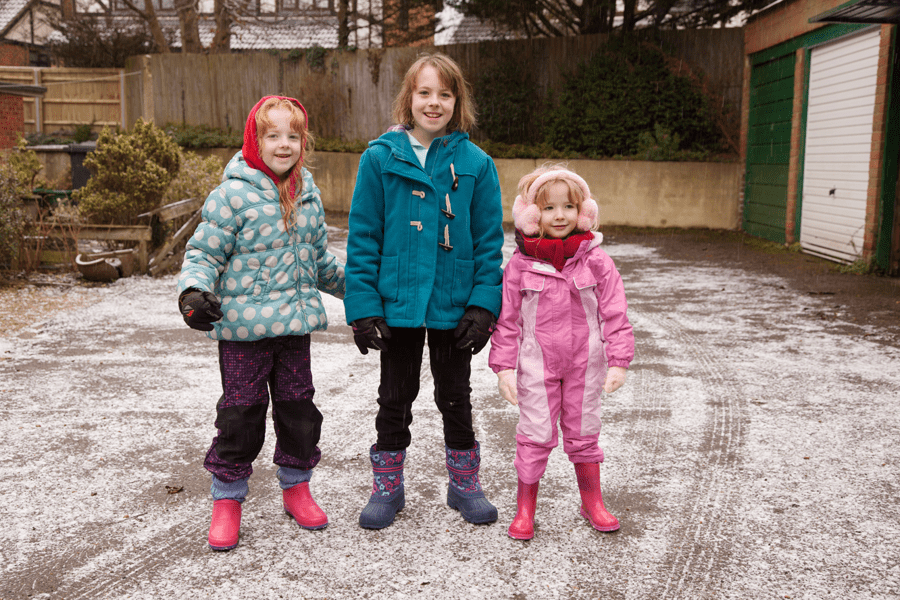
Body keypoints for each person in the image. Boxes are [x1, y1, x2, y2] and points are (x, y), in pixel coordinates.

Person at [344, 53, 505, 530]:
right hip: (397, 305)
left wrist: (483, 306)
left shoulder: (476, 164)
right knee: (394, 397)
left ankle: (465, 485)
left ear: (458, 101)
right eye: (425, 93)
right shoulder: (380, 159)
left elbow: (489, 242)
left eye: (445, 94)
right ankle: (387, 488)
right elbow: (364, 236)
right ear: (409, 98)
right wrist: (364, 307)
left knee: (455, 396)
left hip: (454, 305)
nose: (434, 103)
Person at [176, 95, 345, 551]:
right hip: (243, 334)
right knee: (241, 415)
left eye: (294, 135)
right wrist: (193, 292)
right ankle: (227, 499)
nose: (284, 144)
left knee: (299, 411)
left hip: (293, 330)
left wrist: (363, 292)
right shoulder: (231, 195)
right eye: (273, 135)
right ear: (255, 141)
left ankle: (297, 487)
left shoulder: (307, 194)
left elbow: (318, 261)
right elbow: (203, 253)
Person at [488, 164, 634, 540]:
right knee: (534, 433)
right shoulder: (520, 266)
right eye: (549, 208)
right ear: (532, 214)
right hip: (537, 366)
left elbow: (615, 313)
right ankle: (525, 508)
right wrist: (504, 368)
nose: (559, 215)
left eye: (568, 207)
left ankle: (592, 502)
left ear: (583, 212)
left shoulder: (597, 261)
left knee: (584, 432)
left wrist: (619, 360)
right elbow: (507, 321)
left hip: (586, 365)